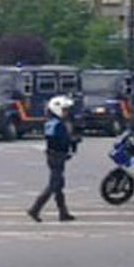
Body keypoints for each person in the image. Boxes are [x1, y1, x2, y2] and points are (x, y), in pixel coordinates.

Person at [28, 95, 79, 223]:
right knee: (54, 184)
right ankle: (35, 209)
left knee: (59, 185)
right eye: (64, 110)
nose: (67, 112)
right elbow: (54, 140)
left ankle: (63, 212)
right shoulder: (54, 124)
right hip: (55, 156)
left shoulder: (61, 122)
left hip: (58, 155)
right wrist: (71, 140)